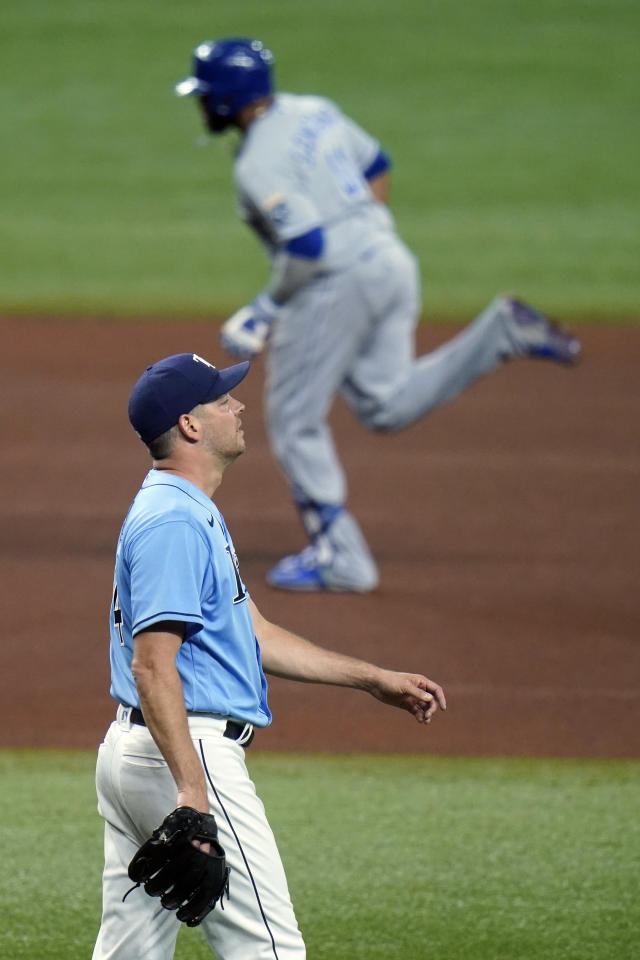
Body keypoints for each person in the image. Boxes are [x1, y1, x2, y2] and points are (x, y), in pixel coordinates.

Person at [174, 37, 582, 593]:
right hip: (391, 261)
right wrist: (366, 244)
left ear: (227, 99)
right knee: (384, 404)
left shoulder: (257, 164)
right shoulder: (313, 110)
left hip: (333, 285)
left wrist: (264, 309)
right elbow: (377, 166)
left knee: (294, 419)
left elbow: (309, 246)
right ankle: (501, 333)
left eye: (205, 95)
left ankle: (341, 558)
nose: (200, 105)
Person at [92, 351, 446, 960]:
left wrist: (371, 679)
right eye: (223, 399)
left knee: (129, 952)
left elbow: (252, 634)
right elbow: (152, 666)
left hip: (139, 755)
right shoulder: (174, 521)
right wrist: (193, 792)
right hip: (185, 753)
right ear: (192, 427)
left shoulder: (186, 509)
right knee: (270, 951)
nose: (240, 405)